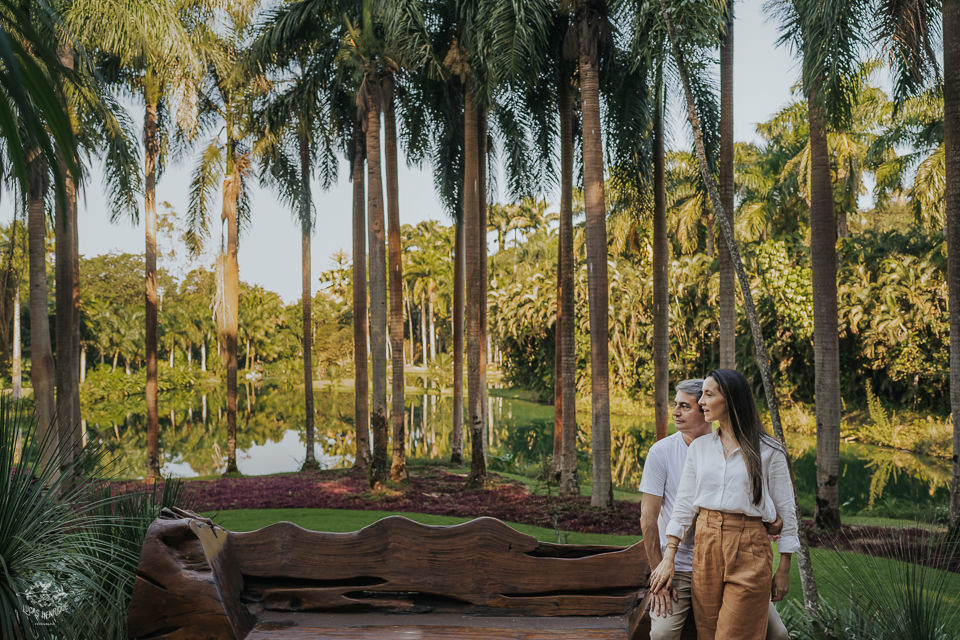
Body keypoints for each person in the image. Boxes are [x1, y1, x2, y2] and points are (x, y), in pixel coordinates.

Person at [648, 370, 799, 640]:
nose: (701, 401)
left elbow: (787, 511)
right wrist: (669, 556)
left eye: (708, 394)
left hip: (749, 546)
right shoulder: (701, 448)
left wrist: (784, 566)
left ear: (729, 399)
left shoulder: (769, 450)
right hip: (705, 547)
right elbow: (684, 506)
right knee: (708, 633)